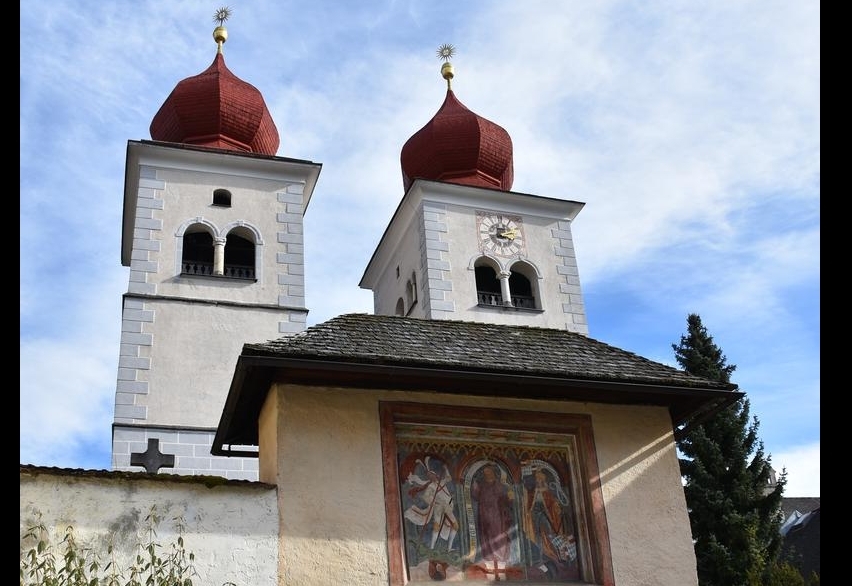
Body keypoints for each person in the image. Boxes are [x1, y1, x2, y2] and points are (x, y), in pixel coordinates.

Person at [404, 457, 459, 551]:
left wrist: (446, 469)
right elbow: (425, 496)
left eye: (431, 475)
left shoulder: (442, 481)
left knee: (455, 526)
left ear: (435, 475)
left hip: (447, 506)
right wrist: (434, 501)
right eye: (429, 476)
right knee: (436, 526)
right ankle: (432, 547)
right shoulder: (431, 486)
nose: (431, 477)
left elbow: (449, 478)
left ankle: (449, 548)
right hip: (438, 507)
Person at [522, 468, 575, 564]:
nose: (538, 481)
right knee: (537, 535)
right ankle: (541, 555)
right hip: (535, 515)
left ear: (543, 480)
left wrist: (556, 506)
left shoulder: (547, 492)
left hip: (545, 515)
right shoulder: (532, 492)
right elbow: (528, 504)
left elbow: (553, 503)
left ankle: (557, 553)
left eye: (540, 479)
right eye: (537, 479)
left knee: (551, 533)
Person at [470, 463, 515, 562]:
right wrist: (474, 485)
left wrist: (510, 498)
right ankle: (489, 558)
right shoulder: (482, 486)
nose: (488, 474)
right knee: (487, 536)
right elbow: (475, 496)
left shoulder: (500, 486)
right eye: (486, 473)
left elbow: (506, 500)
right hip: (484, 515)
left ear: (493, 473)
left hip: (498, 515)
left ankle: (501, 557)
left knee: (499, 534)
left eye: (489, 472)